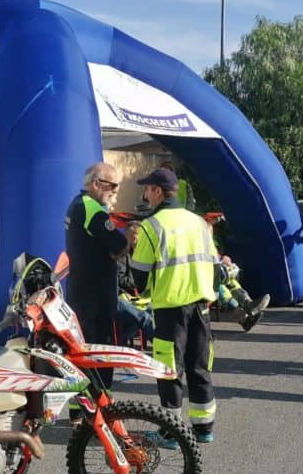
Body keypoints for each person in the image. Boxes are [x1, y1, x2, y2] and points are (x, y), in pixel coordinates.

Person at [131, 167, 219, 443]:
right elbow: (216, 267)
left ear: (157, 191)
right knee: (199, 366)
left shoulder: (151, 226)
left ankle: (170, 432)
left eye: (147, 189)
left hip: (170, 309)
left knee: (169, 370)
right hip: (201, 306)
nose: (145, 193)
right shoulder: (199, 223)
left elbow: (140, 277)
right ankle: (204, 429)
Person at [64, 162, 128, 388]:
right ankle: (102, 411)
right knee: (101, 353)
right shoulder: (92, 208)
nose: (115, 192)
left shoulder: (76, 204)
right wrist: (130, 235)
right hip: (97, 298)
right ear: (95, 183)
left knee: (81, 353)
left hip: (79, 292)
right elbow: (120, 246)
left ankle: (79, 411)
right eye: (113, 186)